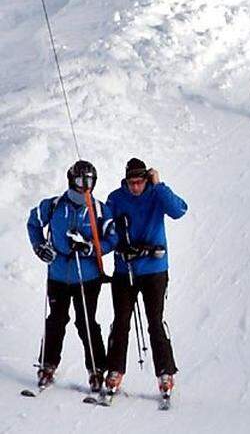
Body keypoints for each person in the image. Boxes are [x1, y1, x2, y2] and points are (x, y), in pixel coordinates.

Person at [25, 160, 116, 392]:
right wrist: (39, 247)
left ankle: (96, 369)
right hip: (58, 275)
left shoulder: (99, 209)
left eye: (89, 181)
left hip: (87, 277)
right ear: (70, 180)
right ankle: (47, 365)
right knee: (55, 320)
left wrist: (90, 248)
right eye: (80, 181)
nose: (85, 186)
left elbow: (112, 238)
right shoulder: (54, 205)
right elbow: (33, 222)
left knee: (86, 323)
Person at [103, 158, 188, 401]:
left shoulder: (156, 194)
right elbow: (107, 229)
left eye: (140, 182)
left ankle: (165, 373)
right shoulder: (116, 198)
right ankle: (115, 370)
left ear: (146, 179)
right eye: (132, 183)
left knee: (155, 322)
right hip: (125, 270)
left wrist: (159, 185)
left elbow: (179, 210)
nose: (136, 187)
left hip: (154, 270)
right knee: (120, 322)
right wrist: (117, 246)